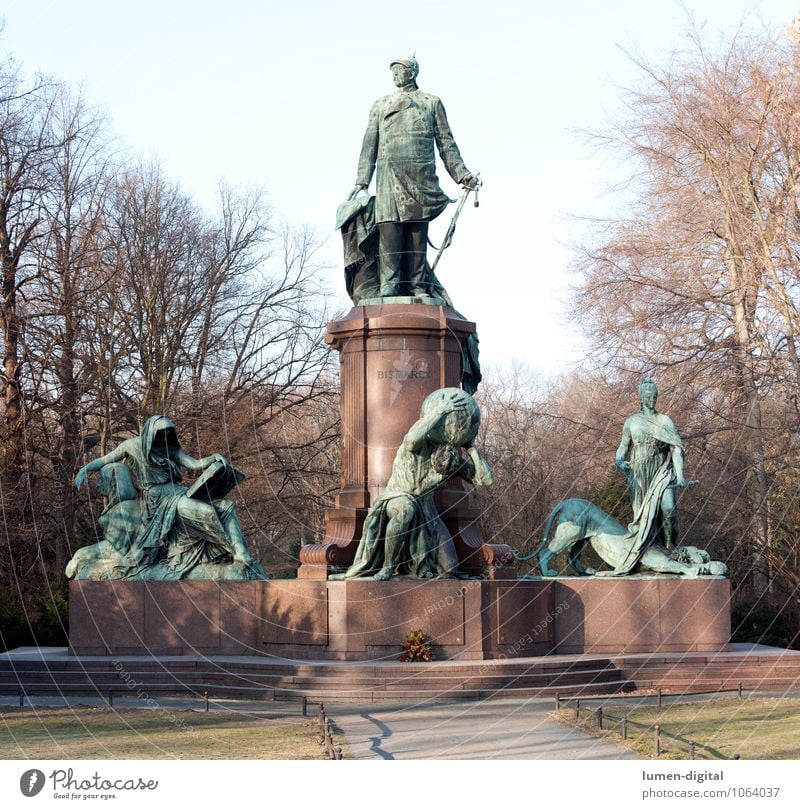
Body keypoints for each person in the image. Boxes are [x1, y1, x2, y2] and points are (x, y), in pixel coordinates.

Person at [348, 55, 479, 298]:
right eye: (393, 71)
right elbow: (369, 145)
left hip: (420, 179)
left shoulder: (431, 103)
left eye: (400, 70)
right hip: (388, 178)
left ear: (413, 72)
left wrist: (463, 176)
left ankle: (419, 287)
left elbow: (446, 144)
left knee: (417, 237)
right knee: (389, 232)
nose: (396, 75)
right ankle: (390, 285)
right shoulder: (381, 105)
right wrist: (361, 181)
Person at [73, 415, 265, 579]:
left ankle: (241, 555)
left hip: (178, 492)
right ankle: (229, 550)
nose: (165, 435)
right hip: (159, 500)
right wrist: (84, 469)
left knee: (226, 506)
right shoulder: (132, 446)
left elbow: (194, 464)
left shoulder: (171, 449)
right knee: (205, 511)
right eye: (161, 432)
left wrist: (213, 458)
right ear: (150, 433)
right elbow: (105, 460)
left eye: (168, 432)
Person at [333, 388, 492, 580]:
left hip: (426, 511)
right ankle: (387, 567)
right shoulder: (418, 444)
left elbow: (485, 480)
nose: (445, 469)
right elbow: (411, 440)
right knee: (406, 509)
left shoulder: (449, 458)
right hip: (398, 497)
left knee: (450, 568)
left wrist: (470, 447)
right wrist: (440, 411)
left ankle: (419, 563)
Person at [615, 378, 688, 555]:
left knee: (668, 508)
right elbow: (624, 446)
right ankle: (644, 549)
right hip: (639, 471)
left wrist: (680, 475)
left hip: (661, 470)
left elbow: (676, 449)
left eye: (655, 396)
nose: (652, 399)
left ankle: (670, 545)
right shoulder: (631, 421)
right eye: (648, 396)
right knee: (643, 515)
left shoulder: (664, 421)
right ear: (641, 397)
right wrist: (619, 461)